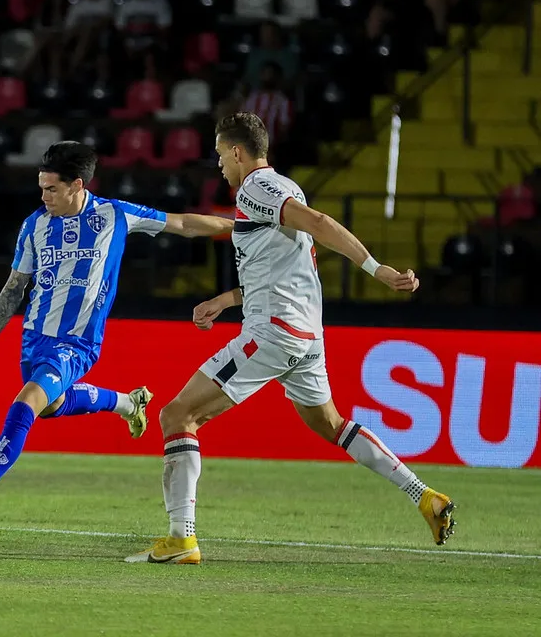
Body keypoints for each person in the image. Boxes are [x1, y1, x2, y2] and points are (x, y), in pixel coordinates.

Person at [125, 113, 456, 565]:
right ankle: (423, 495)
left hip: (274, 331)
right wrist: (225, 300)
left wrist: (375, 268)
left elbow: (319, 222)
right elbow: (281, 266)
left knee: (178, 414)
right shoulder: (279, 190)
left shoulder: (257, 187)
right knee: (332, 425)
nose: (220, 164)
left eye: (222, 155)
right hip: (305, 336)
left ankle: (181, 539)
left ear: (238, 152)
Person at [0, 141, 234, 521]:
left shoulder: (114, 215)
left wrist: (240, 228)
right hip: (34, 339)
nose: (43, 196)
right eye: (41, 187)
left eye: (51, 189)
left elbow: (182, 223)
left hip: (77, 343)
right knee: (52, 406)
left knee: (26, 403)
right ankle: (129, 403)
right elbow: (14, 287)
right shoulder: (34, 226)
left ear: (77, 185)